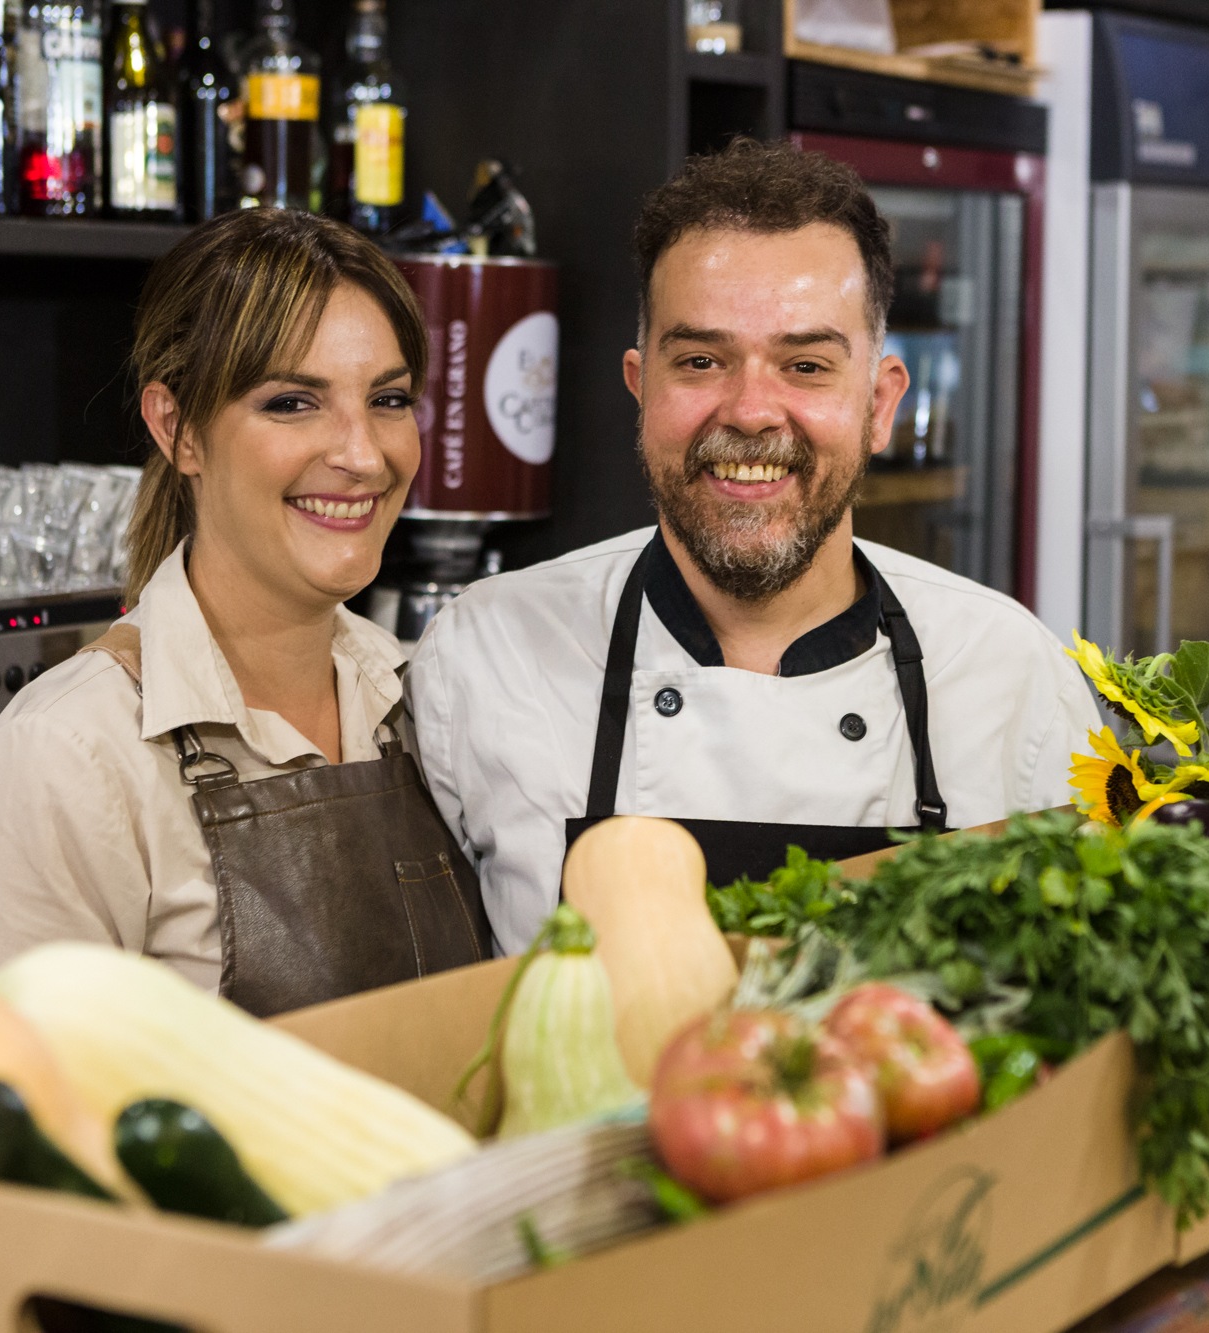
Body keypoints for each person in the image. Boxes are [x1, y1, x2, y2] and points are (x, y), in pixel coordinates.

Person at [408, 141, 1097, 954]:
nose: (750, 411)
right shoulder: (484, 658)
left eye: (805, 365)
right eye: (701, 360)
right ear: (641, 388)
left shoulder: (1010, 673)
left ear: (880, 406)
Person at [0, 209, 489, 1012]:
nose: (364, 454)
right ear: (179, 429)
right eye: (294, 402)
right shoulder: (67, 759)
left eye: (389, 398)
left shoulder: (425, 700)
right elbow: (21, 1123)